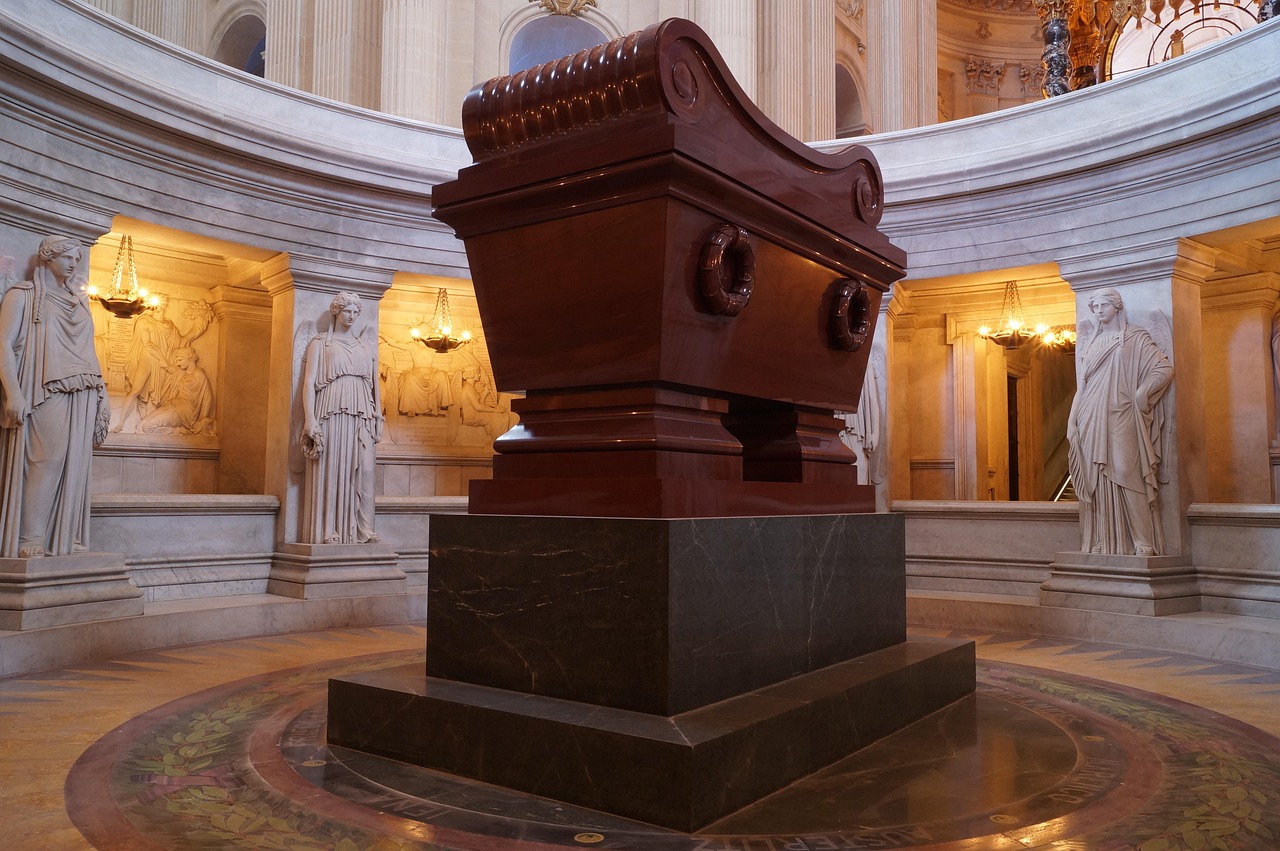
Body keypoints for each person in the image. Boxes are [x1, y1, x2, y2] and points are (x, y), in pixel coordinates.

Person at [0, 236, 109, 558]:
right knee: (45, 459)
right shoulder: (24, 295)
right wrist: (13, 393)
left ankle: (64, 537)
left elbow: (90, 349)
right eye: (68, 257)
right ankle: (29, 536)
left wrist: (103, 395)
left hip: (85, 389)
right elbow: (4, 344)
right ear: (47, 258)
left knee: (75, 463)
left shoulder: (79, 300)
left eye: (78, 258)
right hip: (45, 387)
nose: (75, 263)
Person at [1067, 288, 1173, 556]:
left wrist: (1142, 392)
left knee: (1127, 471)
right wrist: (1071, 422)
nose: (1098, 311)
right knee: (1097, 478)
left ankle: (1142, 540)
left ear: (1116, 306)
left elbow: (1164, 368)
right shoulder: (1091, 343)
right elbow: (1082, 386)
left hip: (1122, 410)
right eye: (1094, 308)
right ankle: (1104, 539)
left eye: (1103, 305)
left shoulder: (1135, 337)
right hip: (1090, 413)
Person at [299, 292, 383, 544]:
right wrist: (309, 419)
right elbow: (308, 383)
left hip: (362, 412)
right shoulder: (320, 343)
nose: (353, 316)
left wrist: (378, 413)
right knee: (333, 469)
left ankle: (364, 530)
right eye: (348, 311)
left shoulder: (365, 346)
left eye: (356, 312)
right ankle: (330, 530)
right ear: (336, 311)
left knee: (365, 470)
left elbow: (374, 384)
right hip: (331, 409)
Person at [136, 347, 215, 436]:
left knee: (147, 427)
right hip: (172, 404)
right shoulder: (180, 372)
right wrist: (153, 350)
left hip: (185, 411)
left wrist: (202, 419)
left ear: (189, 359)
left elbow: (207, 398)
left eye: (180, 360)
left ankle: (179, 431)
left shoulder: (199, 375)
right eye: (176, 360)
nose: (177, 363)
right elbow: (166, 366)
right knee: (140, 427)